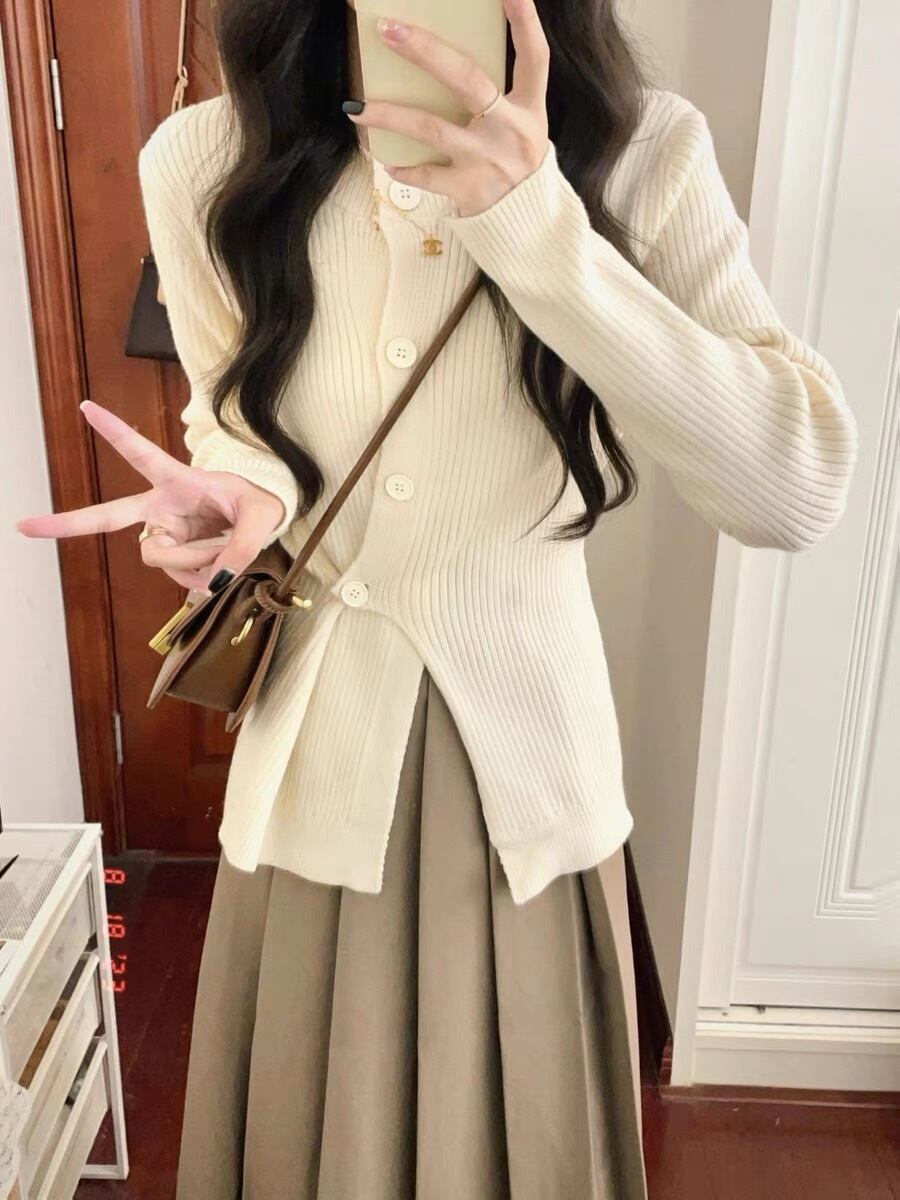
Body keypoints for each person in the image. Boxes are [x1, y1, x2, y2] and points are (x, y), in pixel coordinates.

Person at [17, 0, 858, 1195]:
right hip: (309, 763)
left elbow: (793, 486)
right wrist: (238, 496)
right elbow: (229, 415)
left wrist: (537, 227)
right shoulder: (207, 158)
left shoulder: (639, 150)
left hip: (524, 770)